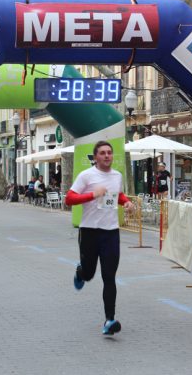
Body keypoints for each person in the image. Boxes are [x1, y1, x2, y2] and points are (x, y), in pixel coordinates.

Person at [65, 140, 135, 336]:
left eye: (109, 153)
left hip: (111, 233)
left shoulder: (117, 176)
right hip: (89, 232)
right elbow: (69, 199)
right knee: (89, 274)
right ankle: (80, 272)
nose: (107, 156)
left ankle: (109, 320)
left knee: (109, 277)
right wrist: (92, 195)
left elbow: (117, 195)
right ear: (95, 157)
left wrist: (127, 202)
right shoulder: (86, 176)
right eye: (102, 153)